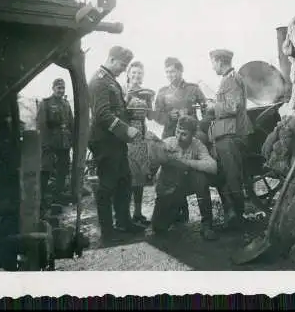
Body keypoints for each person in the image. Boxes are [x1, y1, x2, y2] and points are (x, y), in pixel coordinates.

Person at [88, 46, 145, 244]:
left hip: (115, 141)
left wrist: (134, 111)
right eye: (122, 65)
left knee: (124, 182)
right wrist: (125, 130)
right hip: (105, 141)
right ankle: (107, 231)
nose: (123, 69)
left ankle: (123, 222)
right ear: (111, 59)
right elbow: (102, 114)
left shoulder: (111, 81)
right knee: (107, 185)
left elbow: (117, 111)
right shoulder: (99, 81)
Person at [153, 57, 208, 223]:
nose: (170, 75)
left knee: (195, 173)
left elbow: (206, 112)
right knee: (173, 173)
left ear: (180, 71)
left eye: (173, 71)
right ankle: (181, 213)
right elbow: (157, 116)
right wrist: (168, 116)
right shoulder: (162, 92)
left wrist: (195, 122)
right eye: (167, 72)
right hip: (170, 137)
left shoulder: (194, 89)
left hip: (191, 138)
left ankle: (206, 219)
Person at [206, 49, 254, 230]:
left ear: (219, 61)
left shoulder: (231, 79)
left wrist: (213, 106)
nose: (212, 67)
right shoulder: (229, 79)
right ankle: (233, 216)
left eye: (213, 63)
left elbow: (232, 106)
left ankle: (238, 220)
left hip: (231, 137)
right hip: (226, 135)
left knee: (232, 178)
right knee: (227, 176)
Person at [151, 116, 218, 240]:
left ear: (193, 134)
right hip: (169, 187)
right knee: (158, 227)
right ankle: (178, 211)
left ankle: (207, 225)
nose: (179, 137)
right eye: (177, 132)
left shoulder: (197, 144)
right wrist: (160, 154)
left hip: (188, 184)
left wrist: (185, 162)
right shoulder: (168, 143)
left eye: (184, 134)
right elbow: (155, 170)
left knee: (200, 177)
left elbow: (213, 166)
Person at [36, 78, 74, 214]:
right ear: (53, 88)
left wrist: (72, 141)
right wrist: (45, 144)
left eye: (63, 88)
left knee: (63, 170)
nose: (61, 91)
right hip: (50, 143)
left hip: (63, 143)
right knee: (46, 170)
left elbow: (71, 123)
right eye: (59, 88)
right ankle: (40, 200)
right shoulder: (45, 103)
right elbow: (41, 125)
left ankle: (57, 197)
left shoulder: (66, 104)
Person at [125, 61, 156, 227]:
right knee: (128, 176)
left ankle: (137, 212)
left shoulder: (145, 93)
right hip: (128, 137)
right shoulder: (122, 90)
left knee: (140, 177)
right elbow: (120, 112)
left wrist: (152, 99)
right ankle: (125, 215)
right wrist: (129, 96)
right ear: (129, 73)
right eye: (134, 73)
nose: (137, 76)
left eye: (140, 74)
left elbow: (150, 116)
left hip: (141, 138)